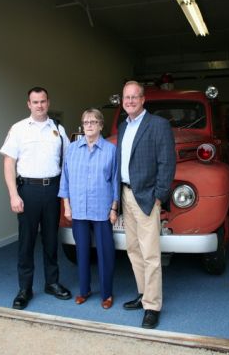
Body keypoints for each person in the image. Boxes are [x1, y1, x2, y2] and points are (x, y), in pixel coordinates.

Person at [0, 87, 72, 310]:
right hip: (27, 191)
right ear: (28, 104)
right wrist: (13, 194)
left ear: (48, 103)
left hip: (52, 190)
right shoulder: (19, 129)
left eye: (43, 101)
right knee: (27, 242)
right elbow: (9, 163)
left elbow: (68, 163)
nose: (39, 105)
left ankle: (52, 282)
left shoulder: (58, 129)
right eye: (35, 102)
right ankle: (25, 288)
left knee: (51, 239)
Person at [117, 81, 176, 329]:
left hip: (147, 196)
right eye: (126, 97)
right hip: (126, 195)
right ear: (122, 101)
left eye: (134, 97)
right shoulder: (123, 126)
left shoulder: (158, 125)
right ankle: (143, 295)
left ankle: (152, 306)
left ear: (143, 100)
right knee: (133, 250)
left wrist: (159, 196)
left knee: (151, 253)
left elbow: (167, 162)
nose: (130, 101)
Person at [58, 108, 118, 309]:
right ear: (82, 126)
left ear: (101, 125)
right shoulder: (73, 149)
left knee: (105, 252)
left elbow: (115, 181)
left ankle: (107, 294)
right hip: (79, 210)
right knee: (81, 252)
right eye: (86, 122)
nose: (89, 125)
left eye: (93, 122)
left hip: (102, 209)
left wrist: (114, 208)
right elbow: (64, 179)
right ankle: (84, 290)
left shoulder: (110, 150)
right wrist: (67, 206)